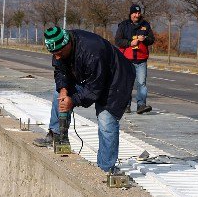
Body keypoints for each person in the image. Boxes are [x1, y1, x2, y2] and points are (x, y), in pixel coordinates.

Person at [36, 26, 135, 173]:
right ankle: (57, 136)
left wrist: (73, 101)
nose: (56, 57)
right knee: (58, 94)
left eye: (59, 53)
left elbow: (94, 90)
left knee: (106, 121)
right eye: (53, 54)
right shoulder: (59, 47)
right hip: (93, 76)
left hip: (116, 80)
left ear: (68, 43)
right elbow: (60, 71)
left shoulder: (92, 51)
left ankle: (106, 168)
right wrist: (63, 89)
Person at [115, 4, 155, 114]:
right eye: (134, 13)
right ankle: (126, 105)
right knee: (127, 83)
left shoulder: (146, 25)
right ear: (131, 14)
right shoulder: (123, 25)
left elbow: (152, 40)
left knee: (141, 83)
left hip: (141, 59)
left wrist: (145, 39)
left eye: (138, 13)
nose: (137, 15)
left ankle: (141, 105)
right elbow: (118, 41)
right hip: (127, 59)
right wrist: (130, 43)